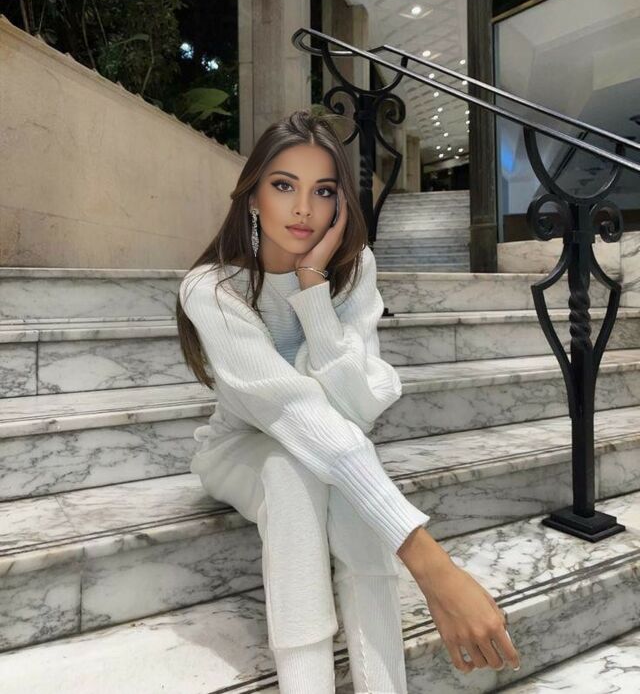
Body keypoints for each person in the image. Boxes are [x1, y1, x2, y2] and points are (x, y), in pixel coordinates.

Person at [176, 110, 521, 692]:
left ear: (340, 202)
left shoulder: (352, 270)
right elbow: (295, 411)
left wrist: (313, 288)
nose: (303, 209)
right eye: (283, 185)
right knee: (291, 470)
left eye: (323, 190)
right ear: (253, 196)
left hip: (330, 444)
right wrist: (432, 567)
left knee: (339, 489)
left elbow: (356, 407)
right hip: (238, 448)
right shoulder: (211, 288)